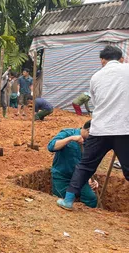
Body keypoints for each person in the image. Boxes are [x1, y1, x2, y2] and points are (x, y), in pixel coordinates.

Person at [57, 45, 129, 210]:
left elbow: (96, 102)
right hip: (124, 128)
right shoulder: (127, 70)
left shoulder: (96, 77)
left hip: (100, 129)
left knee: (85, 166)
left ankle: (68, 200)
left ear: (103, 60)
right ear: (121, 59)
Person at [48, 120, 98, 208]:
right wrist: (70, 139)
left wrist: (89, 178)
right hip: (61, 177)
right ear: (88, 130)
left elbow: (88, 163)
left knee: (91, 198)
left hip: (79, 179)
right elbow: (51, 146)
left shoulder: (91, 143)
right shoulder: (68, 133)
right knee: (59, 199)